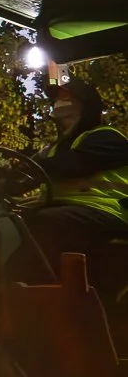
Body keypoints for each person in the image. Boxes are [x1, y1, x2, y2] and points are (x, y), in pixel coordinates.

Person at [11, 77, 128, 279]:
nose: (60, 101)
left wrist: (24, 175)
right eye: (57, 97)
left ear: (87, 105)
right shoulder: (52, 150)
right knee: (8, 221)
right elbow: (24, 171)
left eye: (67, 96)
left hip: (109, 213)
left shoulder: (107, 138)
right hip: (74, 213)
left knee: (46, 223)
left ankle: (31, 292)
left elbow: (71, 165)